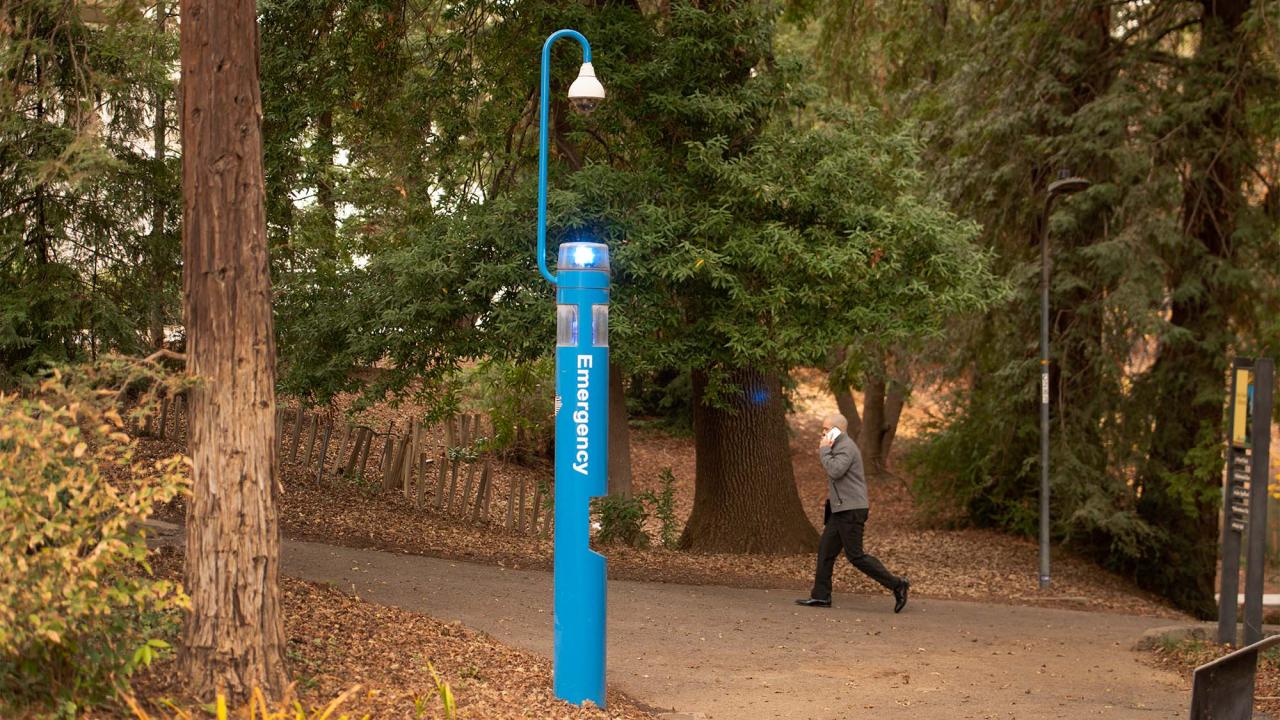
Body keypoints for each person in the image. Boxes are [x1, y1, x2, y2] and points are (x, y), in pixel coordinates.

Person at [795, 413, 909, 612]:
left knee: (855, 556)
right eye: (822, 429)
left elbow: (835, 471)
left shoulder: (846, 447)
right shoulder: (837, 446)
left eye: (826, 429)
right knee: (825, 550)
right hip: (840, 509)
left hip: (851, 510)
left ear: (838, 430)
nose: (822, 433)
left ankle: (898, 584)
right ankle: (821, 596)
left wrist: (823, 451)